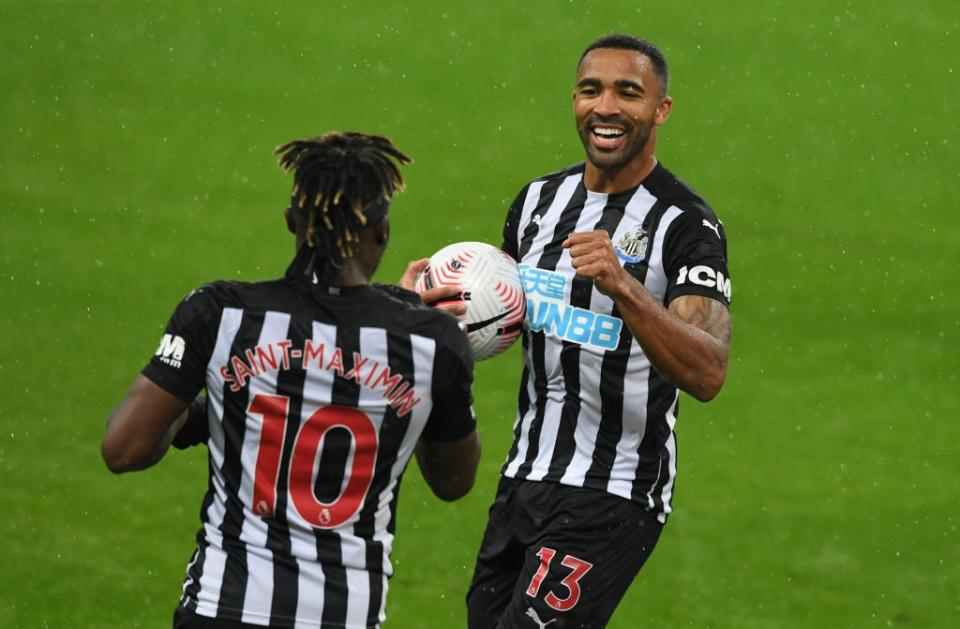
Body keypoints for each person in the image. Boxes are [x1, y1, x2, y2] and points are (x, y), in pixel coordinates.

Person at [101, 131, 481, 629]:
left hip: (222, 607)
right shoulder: (431, 343)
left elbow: (125, 449)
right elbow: (453, 481)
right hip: (341, 616)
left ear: (290, 223)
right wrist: (421, 337)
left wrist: (206, 410)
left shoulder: (217, 313)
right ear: (383, 230)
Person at [466, 34, 733, 628]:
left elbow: (708, 370)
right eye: (591, 90)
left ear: (660, 110)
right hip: (523, 479)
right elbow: (498, 316)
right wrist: (441, 309)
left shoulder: (686, 225)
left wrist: (626, 286)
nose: (606, 107)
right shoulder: (538, 201)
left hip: (613, 491)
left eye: (628, 93)